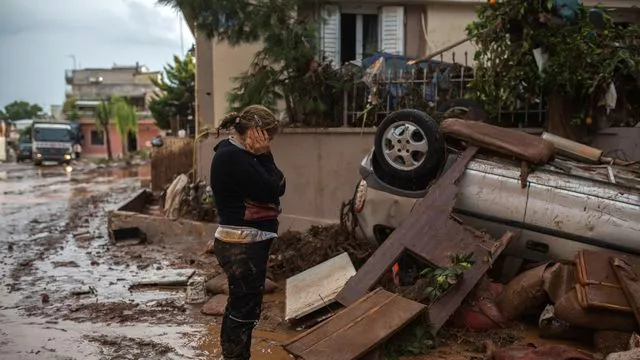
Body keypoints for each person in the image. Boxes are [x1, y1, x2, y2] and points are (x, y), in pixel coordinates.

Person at [210, 105, 285, 360]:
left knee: (244, 307)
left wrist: (264, 158)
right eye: (269, 137)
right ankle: (234, 357)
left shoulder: (242, 155)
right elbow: (273, 188)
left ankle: (234, 356)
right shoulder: (234, 157)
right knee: (243, 311)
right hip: (241, 245)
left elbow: (279, 183)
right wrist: (265, 156)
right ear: (257, 133)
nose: (269, 142)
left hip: (245, 243)